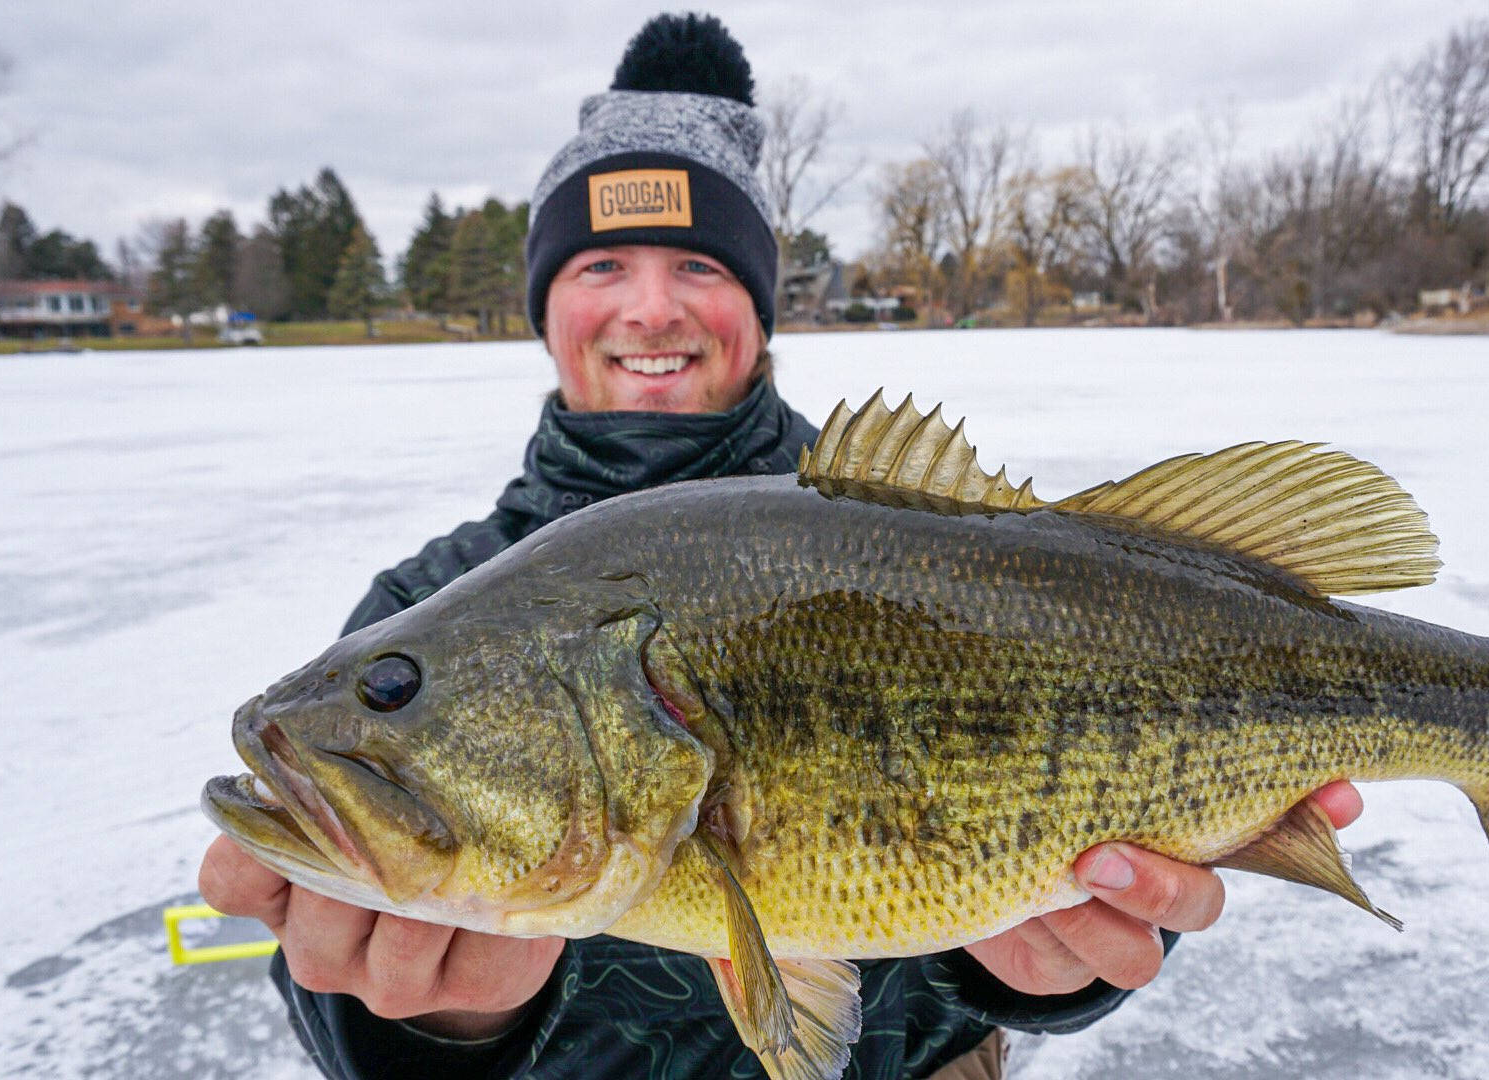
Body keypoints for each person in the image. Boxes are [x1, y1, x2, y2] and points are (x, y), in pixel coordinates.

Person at [198, 13, 1362, 1079]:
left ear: (760, 299)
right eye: (601, 264)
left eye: (698, 264)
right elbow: (333, 1014)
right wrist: (438, 1023)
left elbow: (1039, 938)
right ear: (544, 304)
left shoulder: (943, 544)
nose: (650, 309)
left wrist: (1032, 967)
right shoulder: (435, 599)